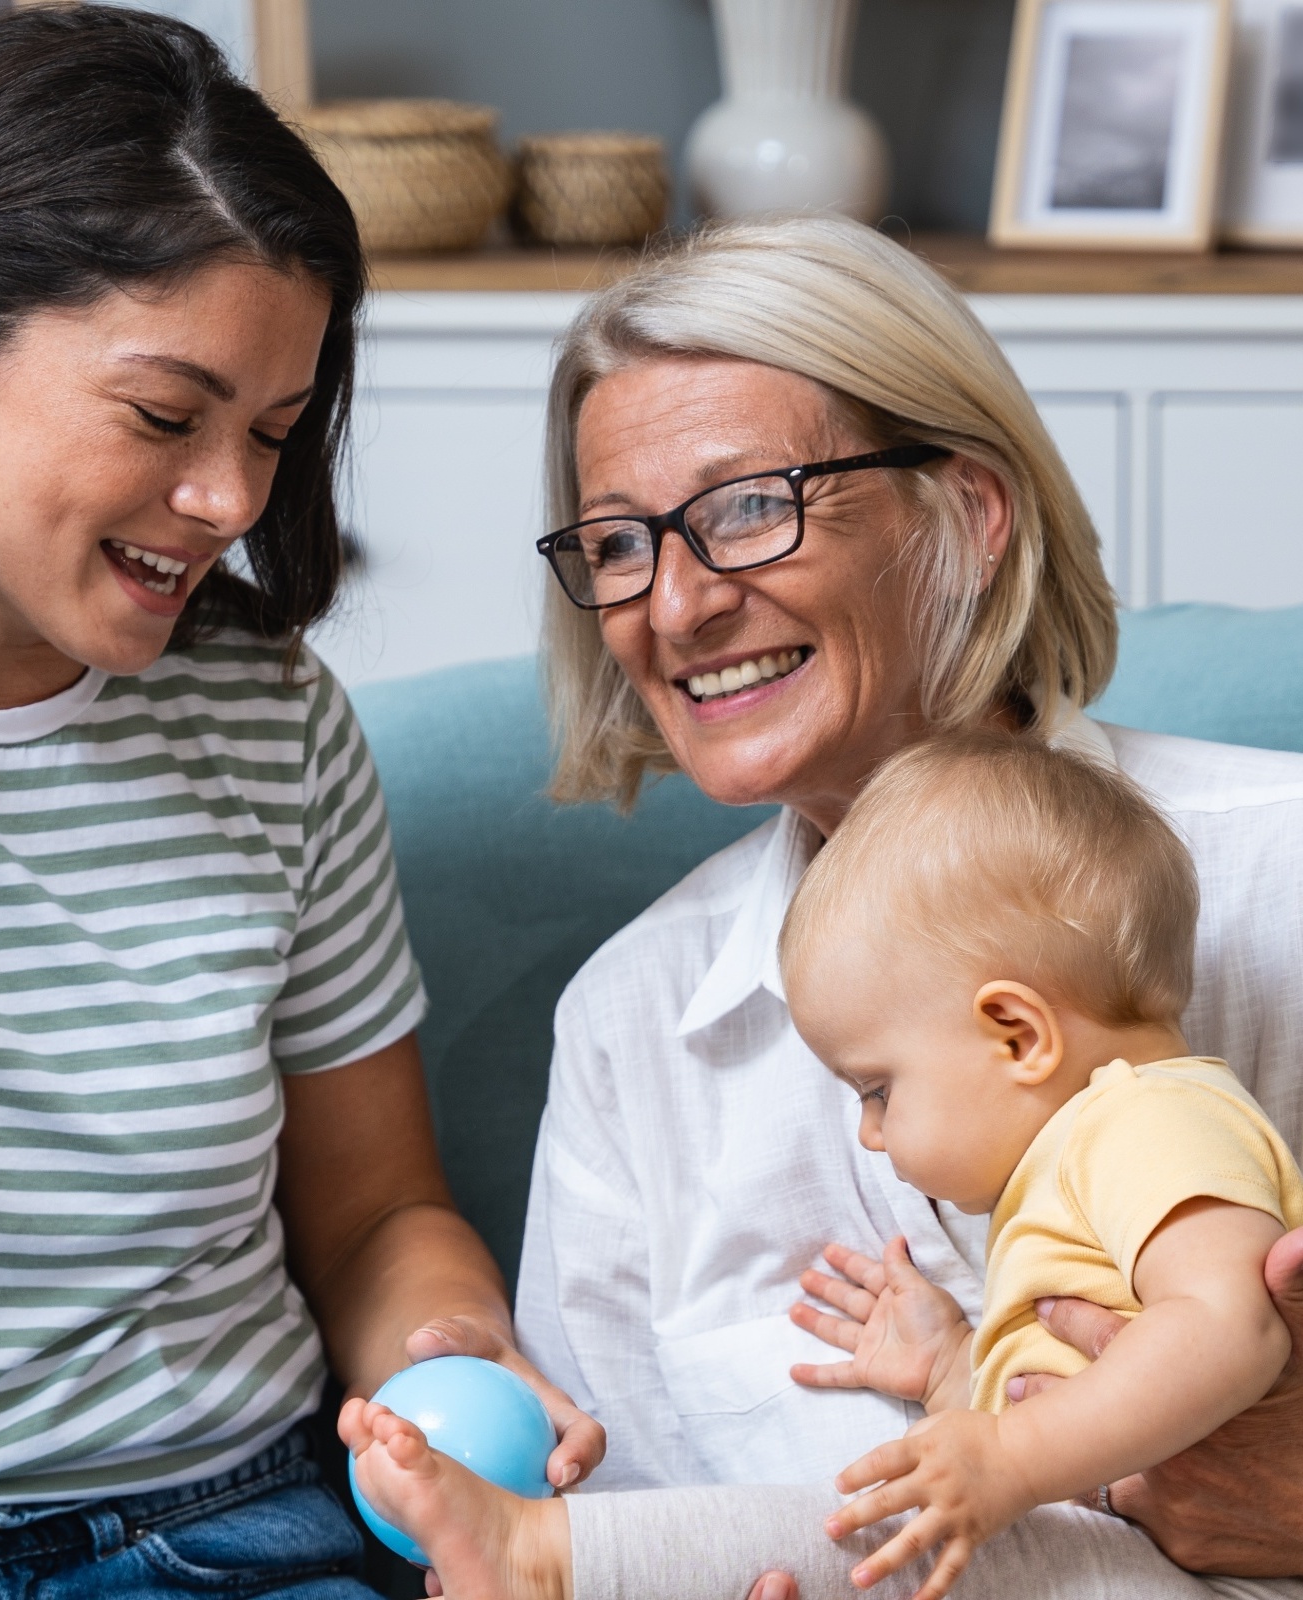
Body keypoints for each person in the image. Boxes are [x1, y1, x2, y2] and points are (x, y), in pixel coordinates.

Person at [0, 10, 598, 1596]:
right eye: (164, 416)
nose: (233, 504)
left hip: (223, 1534)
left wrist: (447, 1352)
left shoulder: (264, 721)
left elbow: (379, 1210)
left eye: (271, 432)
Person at [337, 217, 1303, 1600]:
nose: (674, 604)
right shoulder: (635, 1030)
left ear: (970, 514)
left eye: (748, 505)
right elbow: (606, 1511)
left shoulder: (1285, 872)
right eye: (618, 542)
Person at [776, 734, 1303, 1597]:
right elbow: (1078, 1391)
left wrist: (1013, 1457)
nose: (871, 1134)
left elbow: (1229, 1327)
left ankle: (549, 1557)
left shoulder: (1149, 1119)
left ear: (1018, 1034)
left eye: (877, 1089)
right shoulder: (1079, 1158)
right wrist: (954, 1366)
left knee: (819, 1541)